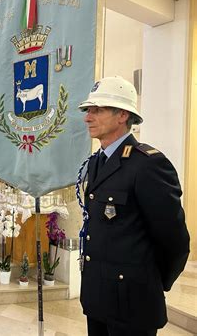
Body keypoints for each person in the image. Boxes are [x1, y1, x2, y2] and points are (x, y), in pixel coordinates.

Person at [76, 76, 190, 335]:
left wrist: (149, 280)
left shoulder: (148, 164)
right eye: (87, 110)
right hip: (98, 298)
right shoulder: (96, 162)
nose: (88, 117)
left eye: (98, 109)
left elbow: (174, 239)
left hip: (133, 302)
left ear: (122, 115)